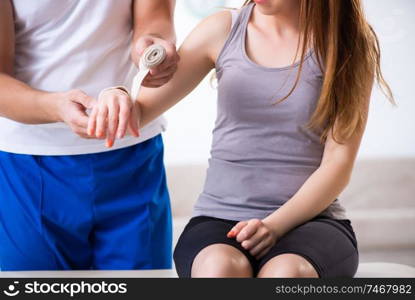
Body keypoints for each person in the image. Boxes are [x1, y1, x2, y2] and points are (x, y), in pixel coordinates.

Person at [91, 0, 394, 277]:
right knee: (219, 268)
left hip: (314, 221)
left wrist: (274, 226)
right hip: (219, 218)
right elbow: (139, 109)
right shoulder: (222, 29)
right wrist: (115, 94)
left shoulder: (349, 43)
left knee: (287, 273)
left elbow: (338, 165)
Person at [0, 0, 179, 270]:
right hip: (30, 165)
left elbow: (156, 21)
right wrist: (57, 107)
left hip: (131, 154)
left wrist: (153, 48)